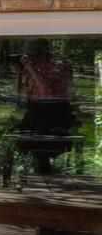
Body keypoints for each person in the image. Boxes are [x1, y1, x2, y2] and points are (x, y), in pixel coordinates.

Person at [19, 39, 76, 174]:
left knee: (38, 137)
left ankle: (43, 164)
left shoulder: (58, 66)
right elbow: (26, 92)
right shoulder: (36, 65)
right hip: (40, 110)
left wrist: (30, 68)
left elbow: (46, 92)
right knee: (28, 135)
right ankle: (41, 164)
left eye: (33, 51)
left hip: (53, 111)